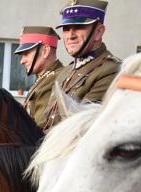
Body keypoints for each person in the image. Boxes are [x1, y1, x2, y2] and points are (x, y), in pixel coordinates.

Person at [43, 0, 121, 130]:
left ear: (99, 32)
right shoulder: (65, 72)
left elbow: (79, 127)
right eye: (66, 29)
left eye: (79, 27)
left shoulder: (111, 70)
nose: (70, 36)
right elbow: (46, 122)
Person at [14, 26, 64, 128]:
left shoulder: (56, 78)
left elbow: (38, 128)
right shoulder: (43, 79)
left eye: (26, 54)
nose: (22, 61)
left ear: (45, 51)